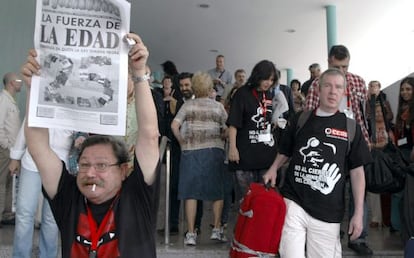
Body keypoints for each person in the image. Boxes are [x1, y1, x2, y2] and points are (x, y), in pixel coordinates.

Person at [21, 33, 160, 257]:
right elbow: (38, 146)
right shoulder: (69, 198)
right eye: (84, 165)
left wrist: (139, 74)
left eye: (102, 165)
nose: (90, 172)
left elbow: (150, 135)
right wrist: (34, 89)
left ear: (124, 170)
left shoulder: (136, 200)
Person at [264, 68, 371, 257]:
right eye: (328, 86)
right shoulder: (301, 119)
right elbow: (285, 151)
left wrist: (359, 213)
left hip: (327, 211)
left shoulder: (350, 128)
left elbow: (357, 172)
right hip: (293, 201)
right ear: (319, 90)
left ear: (343, 92)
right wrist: (273, 168)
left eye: (338, 87)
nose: (332, 91)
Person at [305, 45, 372, 255]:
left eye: (345, 66)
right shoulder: (318, 84)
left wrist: (367, 139)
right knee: (332, 189)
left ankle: (358, 236)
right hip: (329, 146)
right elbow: (309, 116)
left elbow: (364, 113)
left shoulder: (358, 82)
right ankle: (332, 230)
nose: (342, 71)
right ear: (328, 62)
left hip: (355, 141)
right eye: (337, 66)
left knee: (359, 191)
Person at [171, 71, 228, 245]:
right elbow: (226, 128)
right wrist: (221, 136)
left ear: (195, 87)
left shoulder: (188, 105)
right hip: (214, 151)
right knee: (217, 191)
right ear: (210, 87)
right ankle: (217, 230)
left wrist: (182, 141)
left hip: (191, 151)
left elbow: (174, 125)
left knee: (190, 192)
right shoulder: (218, 107)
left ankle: (190, 233)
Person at [10, 121, 73, 258]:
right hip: (32, 162)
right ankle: (20, 255)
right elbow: (25, 127)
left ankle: (48, 255)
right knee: (24, 213)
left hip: (59, 163)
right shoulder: (38, 102)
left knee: (52, 217)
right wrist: (15, 157)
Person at [227, 60, 278, 201]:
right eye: (265, 78)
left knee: (264, 201)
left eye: (272, 80)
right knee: (247, 201)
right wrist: (232, 148)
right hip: (245, 157)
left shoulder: (270, 95)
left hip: (266, 156)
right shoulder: (242, 94)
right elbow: (233, 124)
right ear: (257, 76)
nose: (268, 82)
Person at [365, 80, 394, 229]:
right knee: (373, 188)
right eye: (374, 111)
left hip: (386, 159)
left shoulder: (389, 126)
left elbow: (390, 142)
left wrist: (375, 145)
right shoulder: (369, 127)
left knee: (387, 188)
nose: (377, 113)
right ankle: (376, 217)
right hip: (374, 159)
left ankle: (387, 218)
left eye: (379, 111)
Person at [0, 72, 22, 226]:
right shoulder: (3, 100)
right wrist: (6, 145)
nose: (21, 82)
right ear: (12, 83)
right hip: (6, 150)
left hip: (12, 151)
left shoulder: (10, 101)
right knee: (1, 182)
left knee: (8, 182)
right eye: (19, 79)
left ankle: (6, 214)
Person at [394, 77, 414, 236]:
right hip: (403, 155)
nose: (404, 92)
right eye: (402, 89)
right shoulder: (402, 109)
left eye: (408, 89)